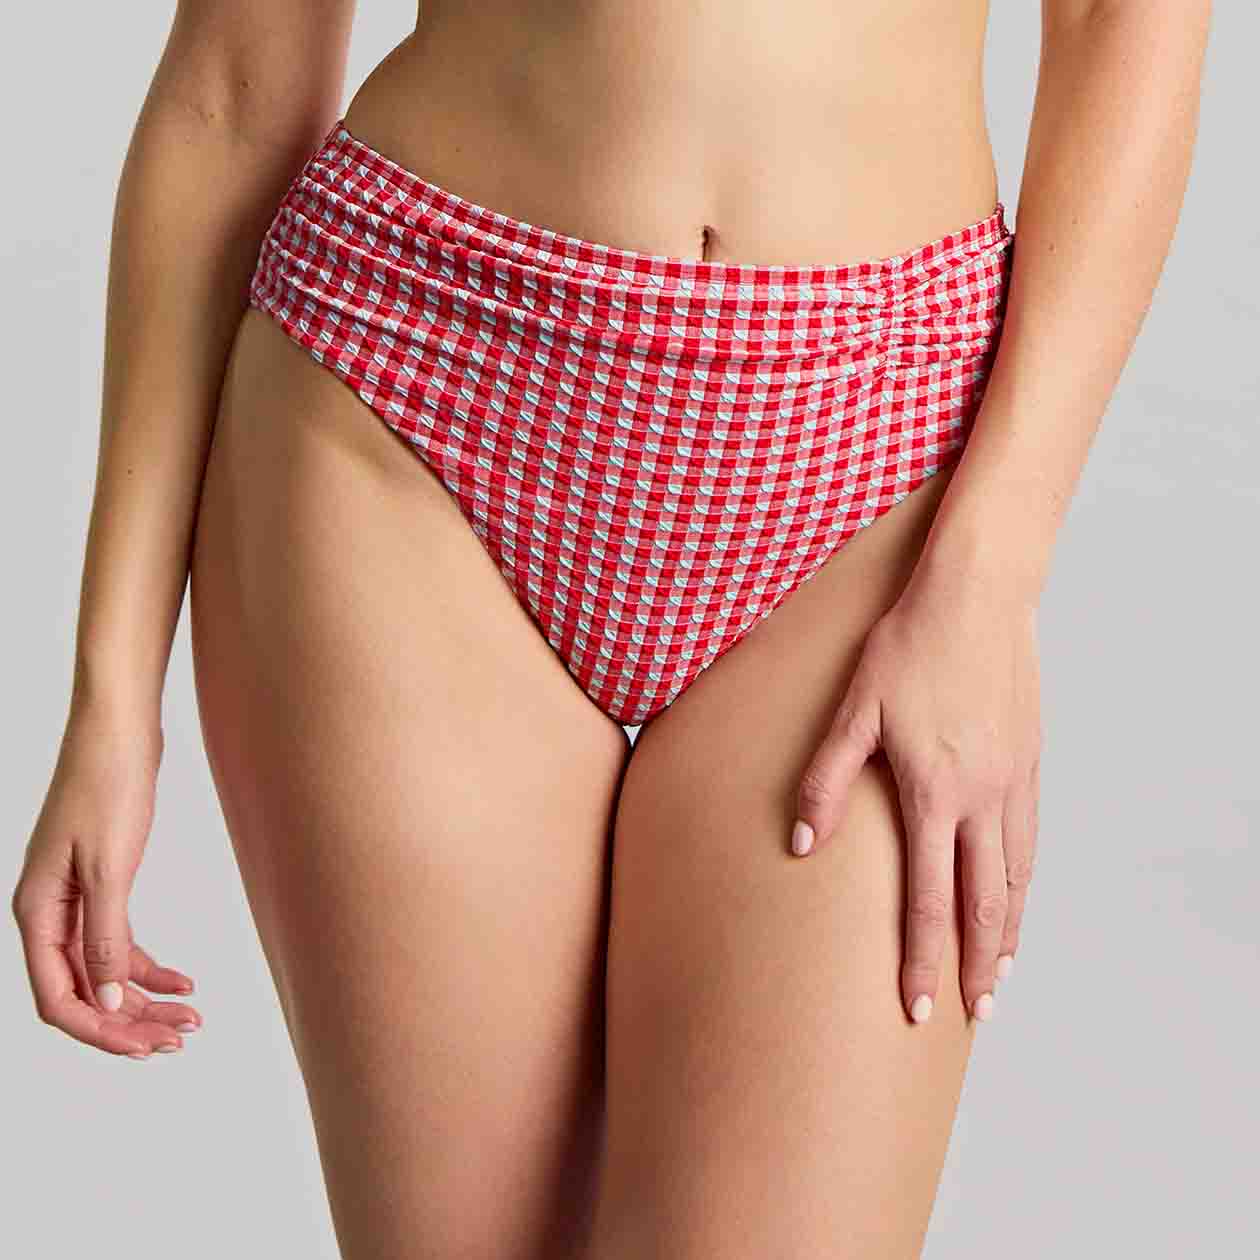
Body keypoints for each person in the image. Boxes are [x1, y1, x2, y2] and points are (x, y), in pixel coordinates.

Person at [12, 2, 1211, 1256]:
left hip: (878, 461)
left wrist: (990, 579)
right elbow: (232, 90)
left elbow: (1126, 25)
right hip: (415, 399)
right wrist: (110, 697)